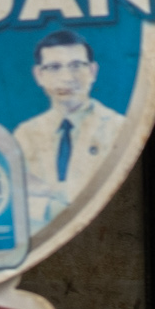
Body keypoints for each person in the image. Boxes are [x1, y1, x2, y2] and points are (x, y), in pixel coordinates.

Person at [15, 29, 128, 229]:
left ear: (92, 71)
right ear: (39, 75)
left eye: (76, 66)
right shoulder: (24, 134)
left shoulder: (119, 129)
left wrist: (47, 193)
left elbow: (115, 197)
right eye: (54, 67)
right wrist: (63, 203)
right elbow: (14, 201)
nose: (67, 78)